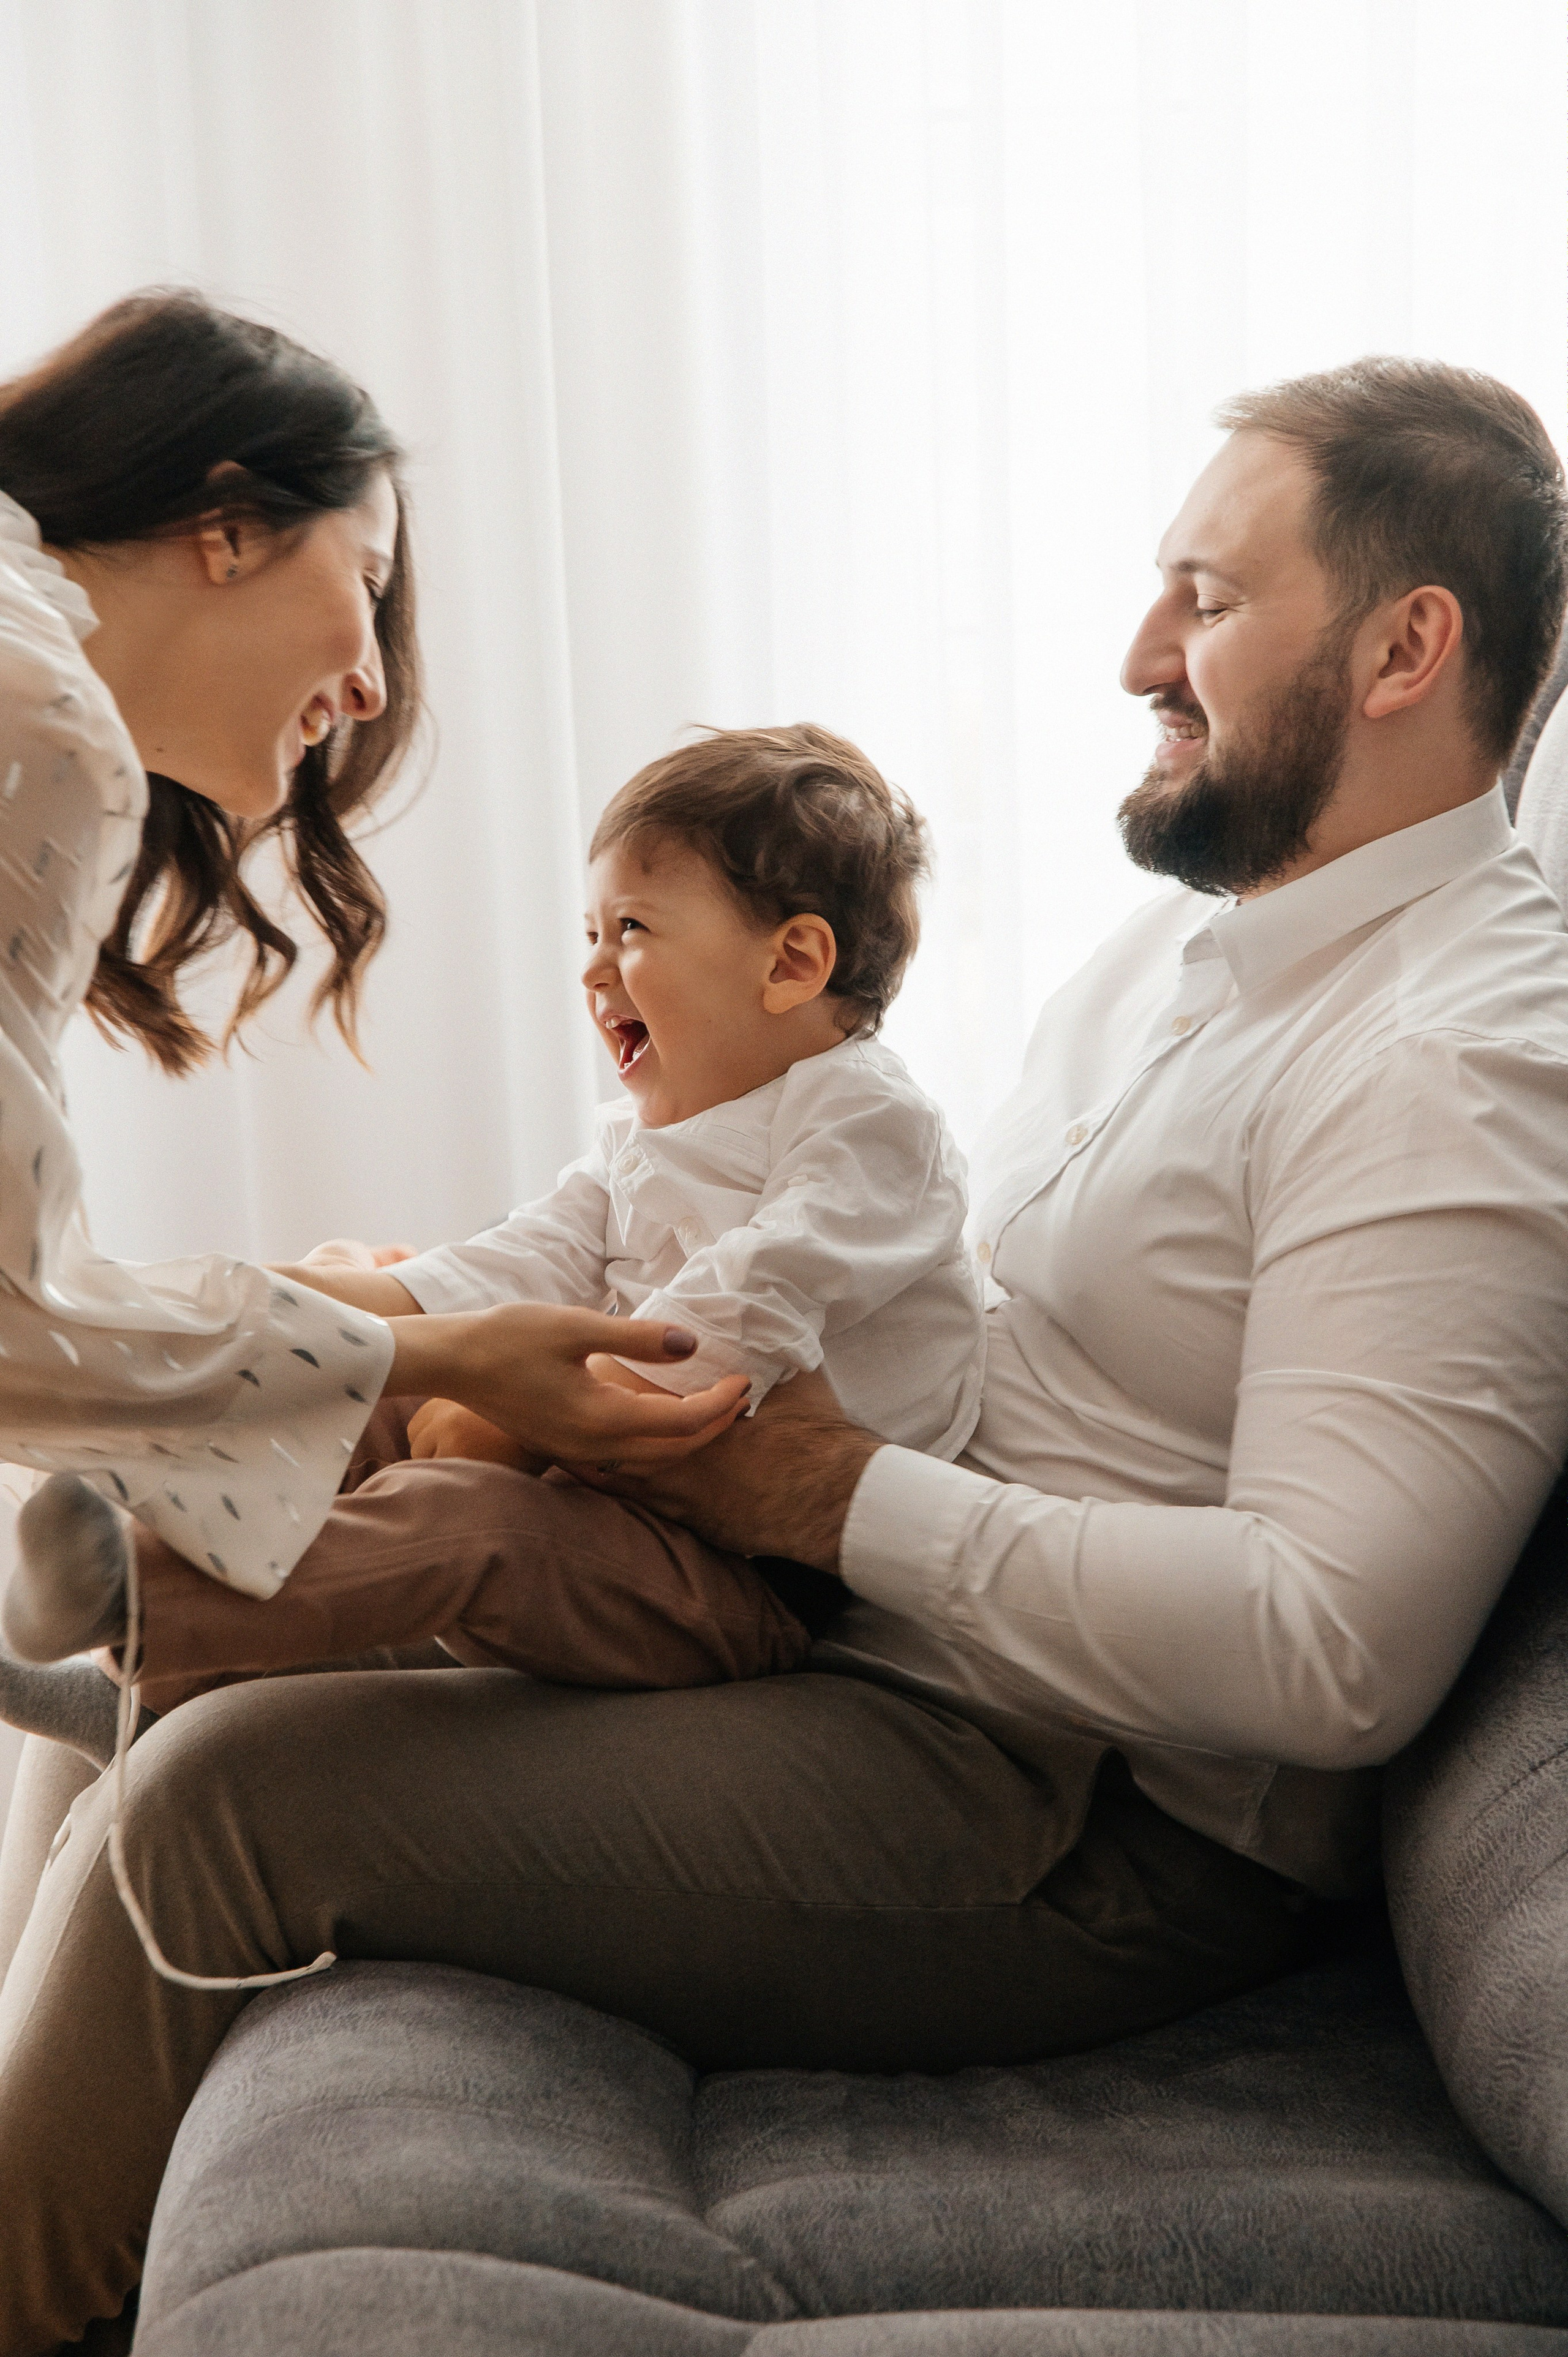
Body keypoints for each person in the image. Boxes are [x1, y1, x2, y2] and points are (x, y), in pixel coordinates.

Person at [5, 353, 1568, 2357]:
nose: (1133, 652)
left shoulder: (1455, 1056)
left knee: (219, 1796)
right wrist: (438, 1327)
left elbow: (1330, 1648)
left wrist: (834, 1491)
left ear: (1406, 645)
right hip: (860, 1644)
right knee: (180, 1591)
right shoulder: (1201, 956)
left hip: (1065, 1804)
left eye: (1207, 595)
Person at [0, 290, 757, 1793]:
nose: (369, 688)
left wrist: (380, 1320)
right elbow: (17, 1325)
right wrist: (447, 1344)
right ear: (225, 526)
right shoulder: (46, 723)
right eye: (367, 575)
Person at [1, 726, 982, 1735]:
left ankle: (147, 1603)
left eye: (633, 928)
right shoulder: (652, 1137)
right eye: (589, 934)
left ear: (793, 963)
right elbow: (511, 1260)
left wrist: (519, 1421)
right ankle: (156, 1644)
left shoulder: (871, 1124)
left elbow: (749, 1305)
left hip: (748, 1581)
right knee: (365, 1389)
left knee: (475, 1525)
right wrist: (302, 1309)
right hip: (624, 1490)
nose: (595, 968)